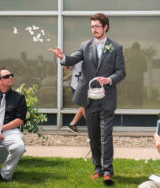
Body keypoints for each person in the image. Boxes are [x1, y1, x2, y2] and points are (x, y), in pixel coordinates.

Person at [49, 13, 125, 185]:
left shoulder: (116, 47)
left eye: (97, 26)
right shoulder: (85, 45)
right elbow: (73, 58)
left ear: (105, 27)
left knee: (106, 135)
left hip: (107, 98)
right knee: (94, 135)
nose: (94, 29)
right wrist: (62, 57)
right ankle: (97, 168)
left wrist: (110, 79)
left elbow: (121, 71)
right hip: (89, 99)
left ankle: (108, 171)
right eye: (92, 26)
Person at [0, 68, 27, 181]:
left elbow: (20, 120)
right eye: (7, 76)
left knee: (19, 147)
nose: (11, 77)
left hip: (10, 131)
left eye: (11, 75)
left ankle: (4, 174)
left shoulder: (19, 98)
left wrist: (1, 129)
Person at [66, 61, 86, 133]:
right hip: (77, 86)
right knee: (85, 105)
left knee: (84, 106)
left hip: (84, 86)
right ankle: (93, 127)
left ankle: (72, 125)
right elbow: (65, 67)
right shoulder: (76, 56)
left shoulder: (91, 55)